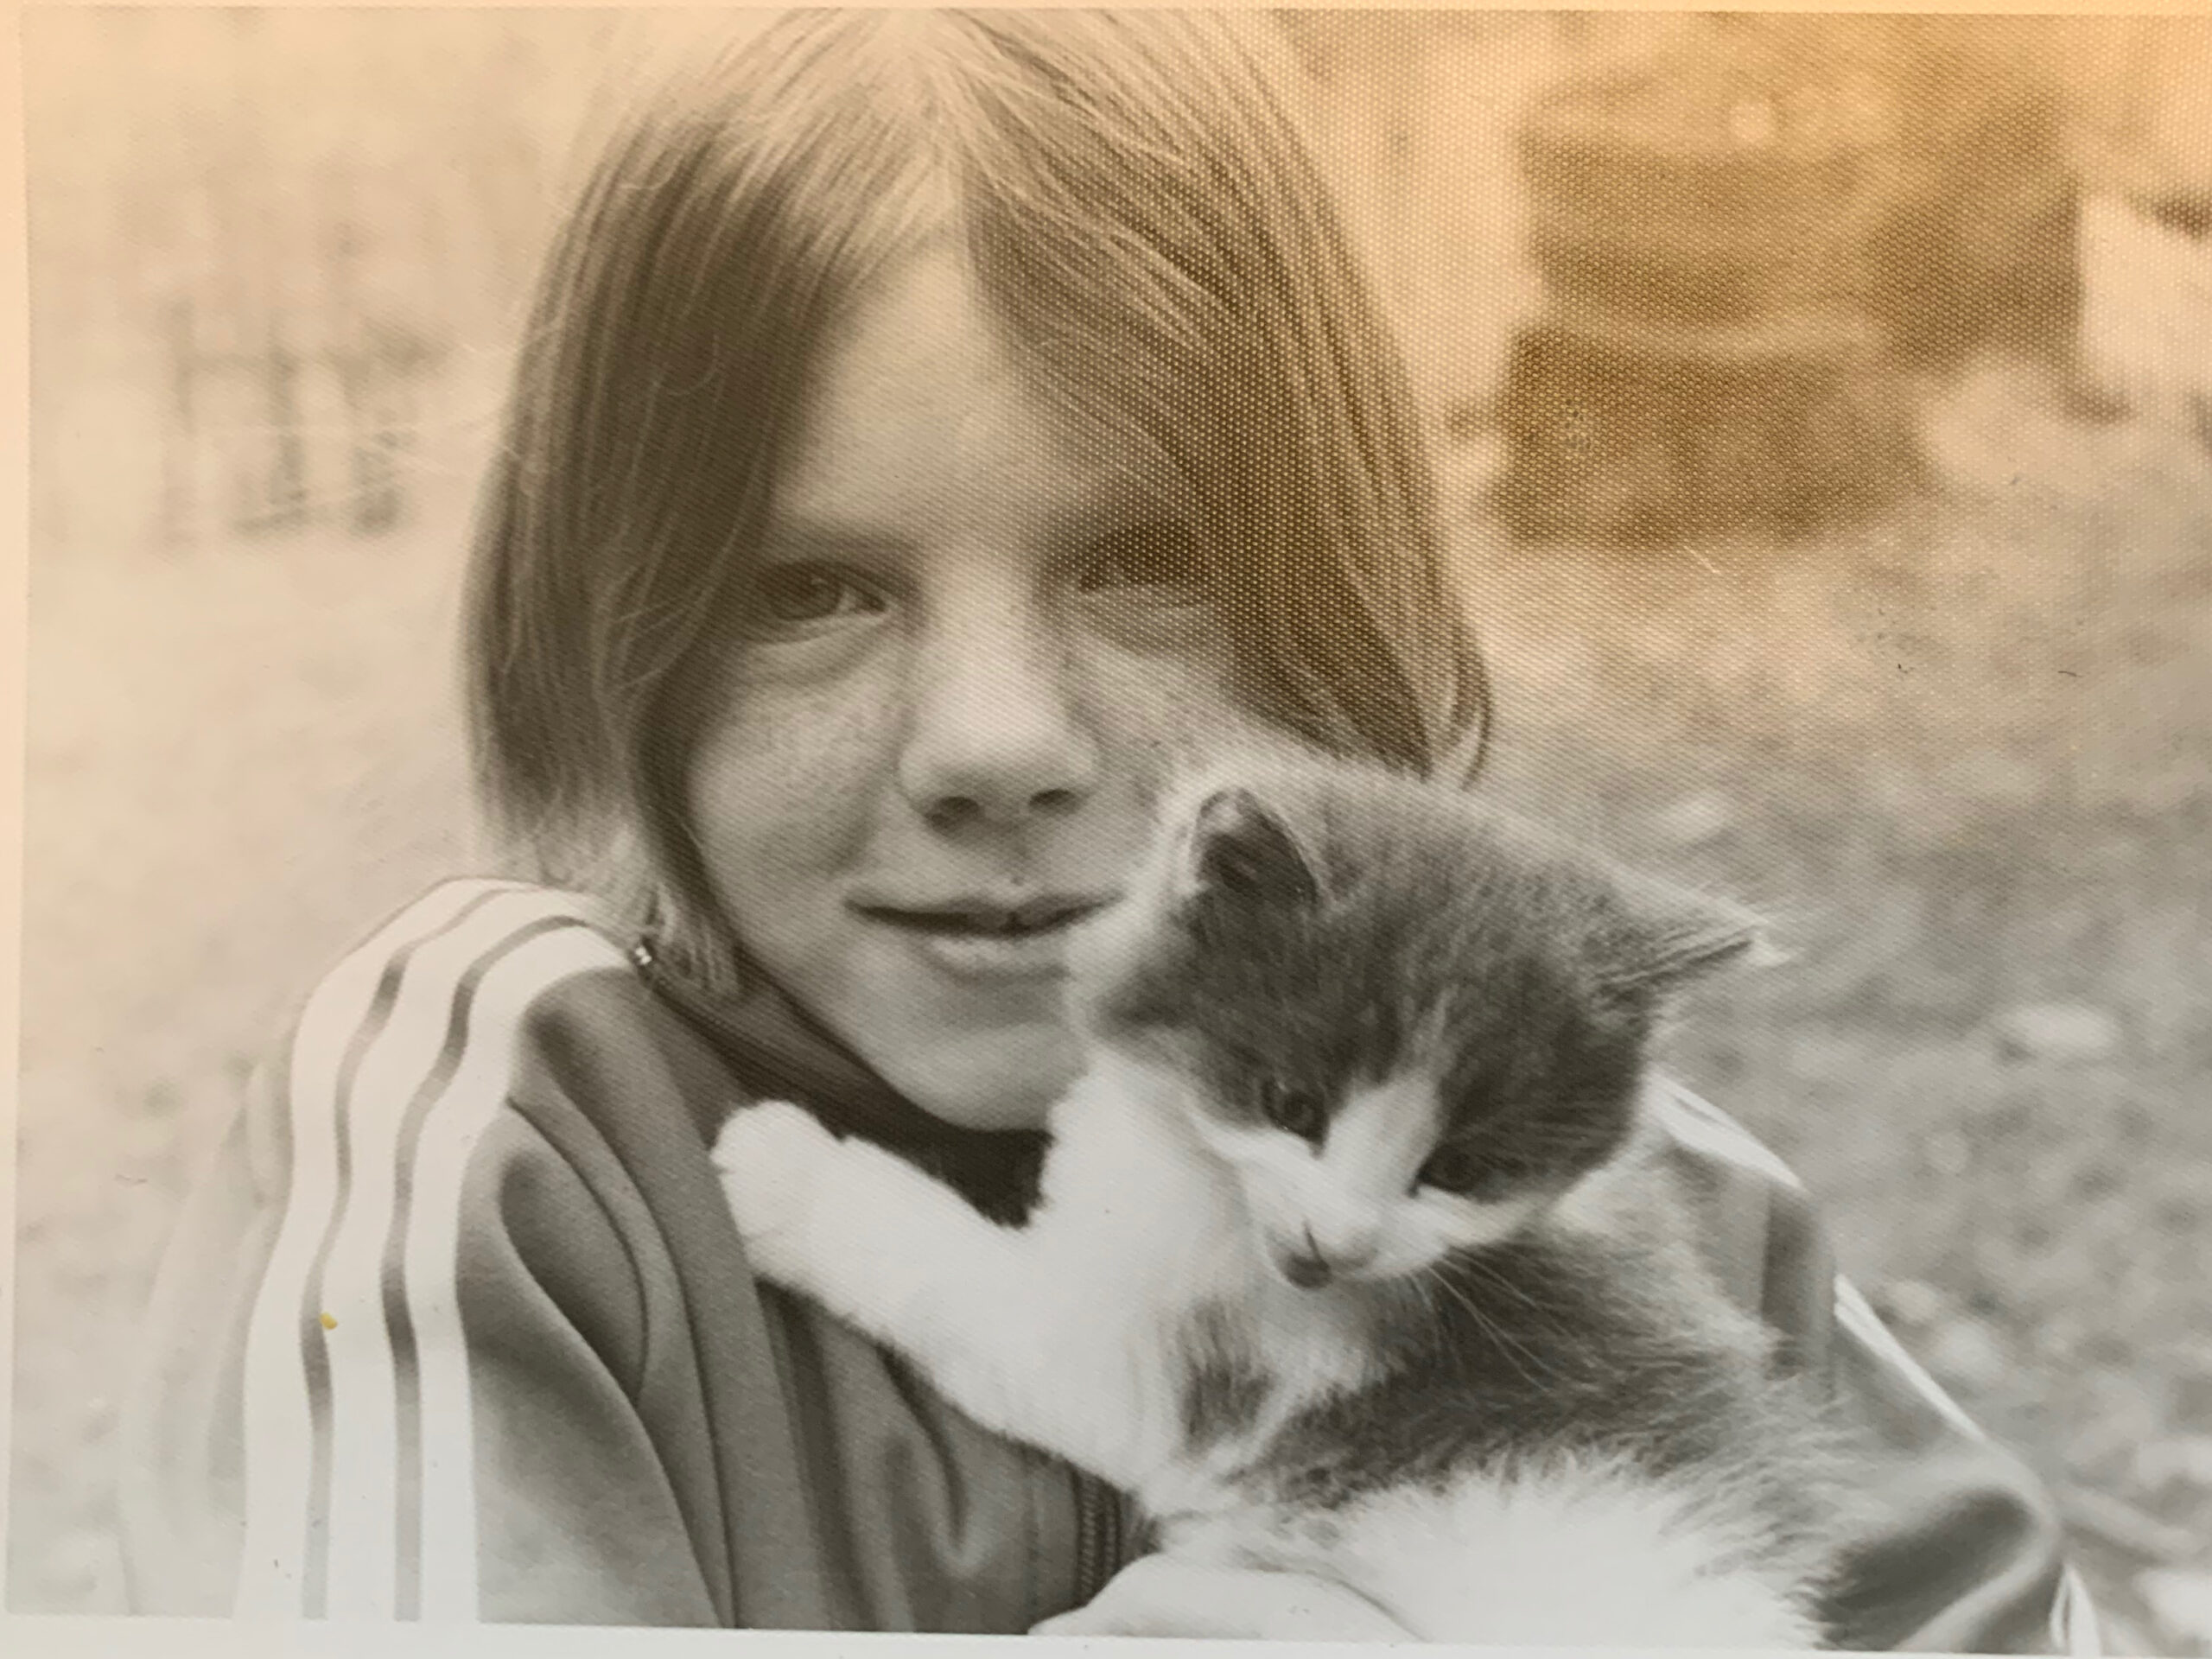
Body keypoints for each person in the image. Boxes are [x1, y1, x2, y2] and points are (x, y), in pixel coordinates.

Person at [118, 11, 2098, 1646]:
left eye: (1144, 562)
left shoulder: (1610, 1190)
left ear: (1337, 582)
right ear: (614, 631)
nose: (997, 744)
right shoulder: (512, 1147)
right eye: (810, 587)